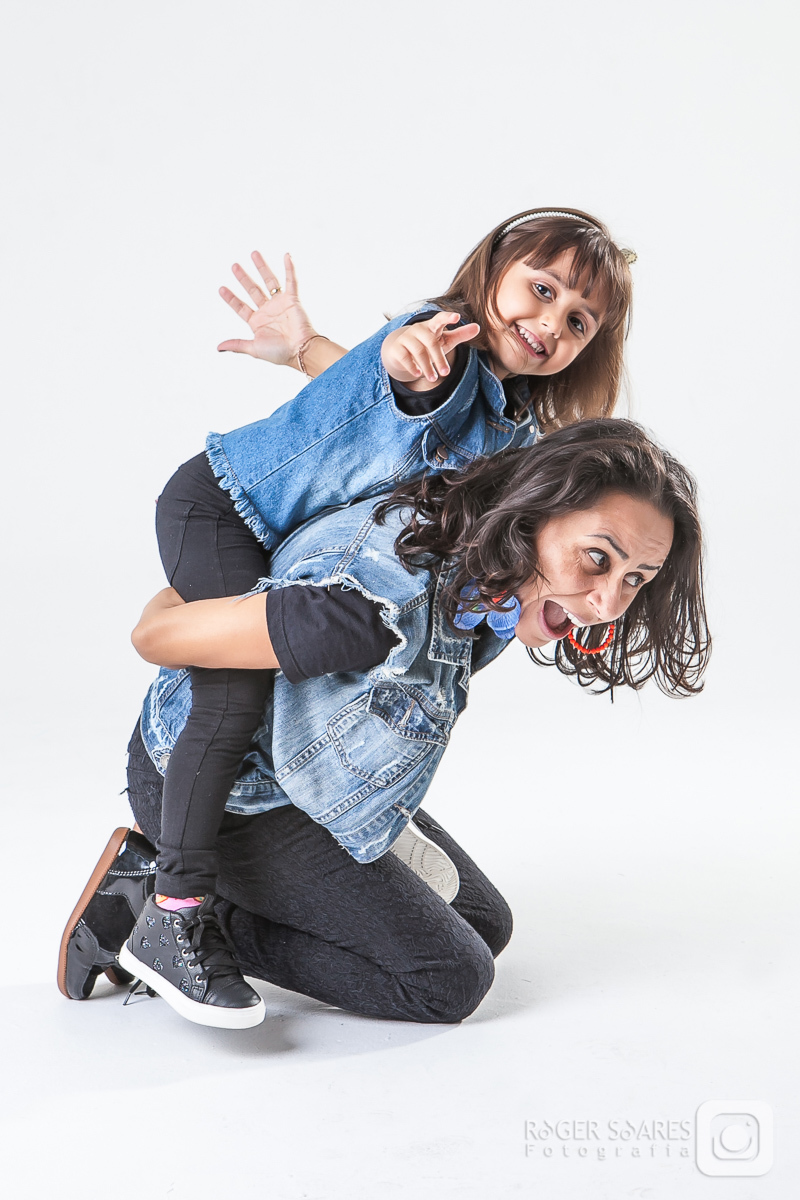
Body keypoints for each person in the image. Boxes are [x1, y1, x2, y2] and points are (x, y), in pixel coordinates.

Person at [116, 208, 637, 1027]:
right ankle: (172, 906)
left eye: (578, 321)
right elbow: (408, 382)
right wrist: (402, 357)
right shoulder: (440, 351)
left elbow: (384, 421)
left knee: (484, 925)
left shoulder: (512, 425)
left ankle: (248, 858)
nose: (551, 323)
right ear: (490, 271)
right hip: (222, 508)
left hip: (297, 544)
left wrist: (306, 346)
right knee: (233, 690)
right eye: (541, 290)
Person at [60, 419, 710, 1026]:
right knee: (448, 978)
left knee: (485, 922)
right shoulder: (373, 607)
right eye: (598, 558)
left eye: (636, 579)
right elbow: (163, 636)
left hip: (310, 776)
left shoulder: (489, 569)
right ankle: (147, 907)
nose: (608, 603)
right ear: (534, 510)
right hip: (226, 798)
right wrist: (177, 597)